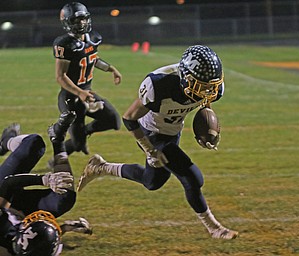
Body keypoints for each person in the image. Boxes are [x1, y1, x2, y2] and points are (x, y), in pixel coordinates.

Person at [77, 45, 238, 240]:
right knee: (193, 178)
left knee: (152, 182)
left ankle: (101, 167)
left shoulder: (212, 88)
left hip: (172, 131)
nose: (207, 91)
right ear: (186, 77)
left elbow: (205, 101)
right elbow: (129, 118)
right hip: (151, 133)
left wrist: (208, 126)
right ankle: (214, 228)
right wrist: (149, 149)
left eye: (210, 86)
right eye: (201, 86)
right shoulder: (159, 84)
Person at [0, 123, 92, 255]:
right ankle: (58, 139)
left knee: (33, 145)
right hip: (16, 211)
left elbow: (8, 184)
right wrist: (63, 228)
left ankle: (5, 142)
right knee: (64, 197)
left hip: (2, 193)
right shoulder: (19, 246)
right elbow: (34, 243)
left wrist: (45, 179)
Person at [51, 2, 122, 160]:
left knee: (113, 120)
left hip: (87, 94)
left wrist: (111, 69)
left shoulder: (93, 38)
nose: (81, 23)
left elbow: (92, 59)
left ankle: (82, 133)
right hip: (71, 98)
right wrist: (80, 92)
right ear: (67, 22)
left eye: (83, 19)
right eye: (76, 20)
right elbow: (60, 76)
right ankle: (57, 158)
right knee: (78, 145)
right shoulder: (64, 44)